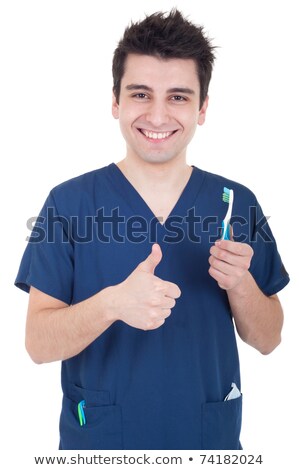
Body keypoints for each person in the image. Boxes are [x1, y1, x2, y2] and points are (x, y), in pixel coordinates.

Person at [15, 9, 289, 450]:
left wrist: (240, 286)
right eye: (141, 94)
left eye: (178, 97)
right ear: (115, 102)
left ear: (202, 109)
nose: (158, 116)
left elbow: (270, 338)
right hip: (102, 446)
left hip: (207, 443)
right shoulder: (68, 204)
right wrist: (112, 304)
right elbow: (38, 345)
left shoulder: (236, 204)